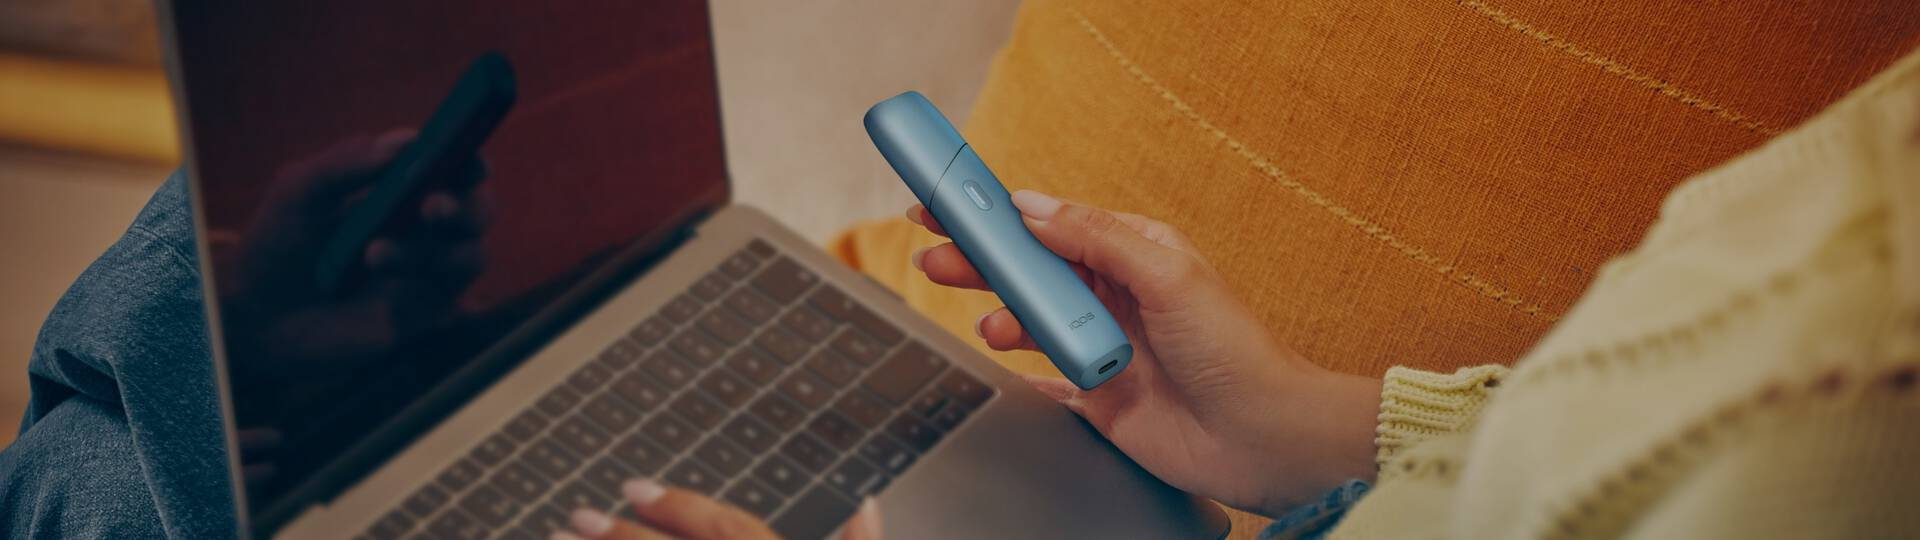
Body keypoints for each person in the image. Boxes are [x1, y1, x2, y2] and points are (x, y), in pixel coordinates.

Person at [5, 46, 1916, 540]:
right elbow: (1556, 461)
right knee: (189, 327)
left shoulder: (1852, 385)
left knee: (118, 433)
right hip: (1253, 495)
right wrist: (1308, 427)